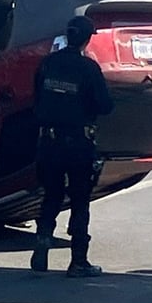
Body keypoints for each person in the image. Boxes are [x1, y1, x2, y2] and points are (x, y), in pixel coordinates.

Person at [30, 15, 114, 277]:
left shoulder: (47, 64)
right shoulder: (89, 69)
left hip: (48, 142)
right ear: (87, 39)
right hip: (78, 142)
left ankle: (43, 238)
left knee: (52, 195)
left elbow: (36, 100)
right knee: (79, 201)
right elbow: (105, 106)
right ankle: (78, 261)